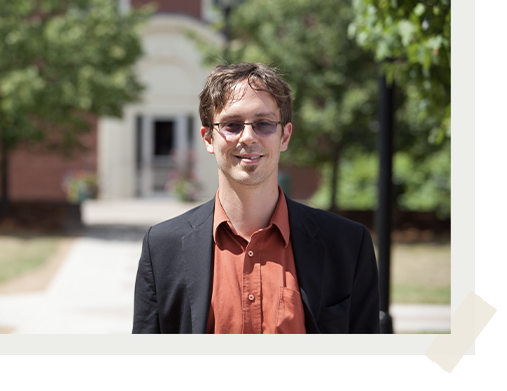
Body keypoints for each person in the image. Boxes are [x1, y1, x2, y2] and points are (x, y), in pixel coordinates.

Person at [132, 62, 379, 334]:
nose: (248, 137)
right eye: (232, 124)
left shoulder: (347, 245)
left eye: (263, 124)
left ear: (284, 136)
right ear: (208, 138)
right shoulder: (162, 248)